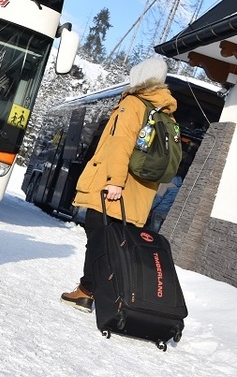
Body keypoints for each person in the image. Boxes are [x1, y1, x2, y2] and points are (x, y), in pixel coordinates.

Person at [61, 54, 177, 311]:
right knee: (115, 244)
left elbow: (120, 144)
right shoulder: (165, 114)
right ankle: (112, 293)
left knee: (98, 238)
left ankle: (87, 290)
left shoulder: (133, 104)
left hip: (114, 189)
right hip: (139, 196)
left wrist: (114, 181)